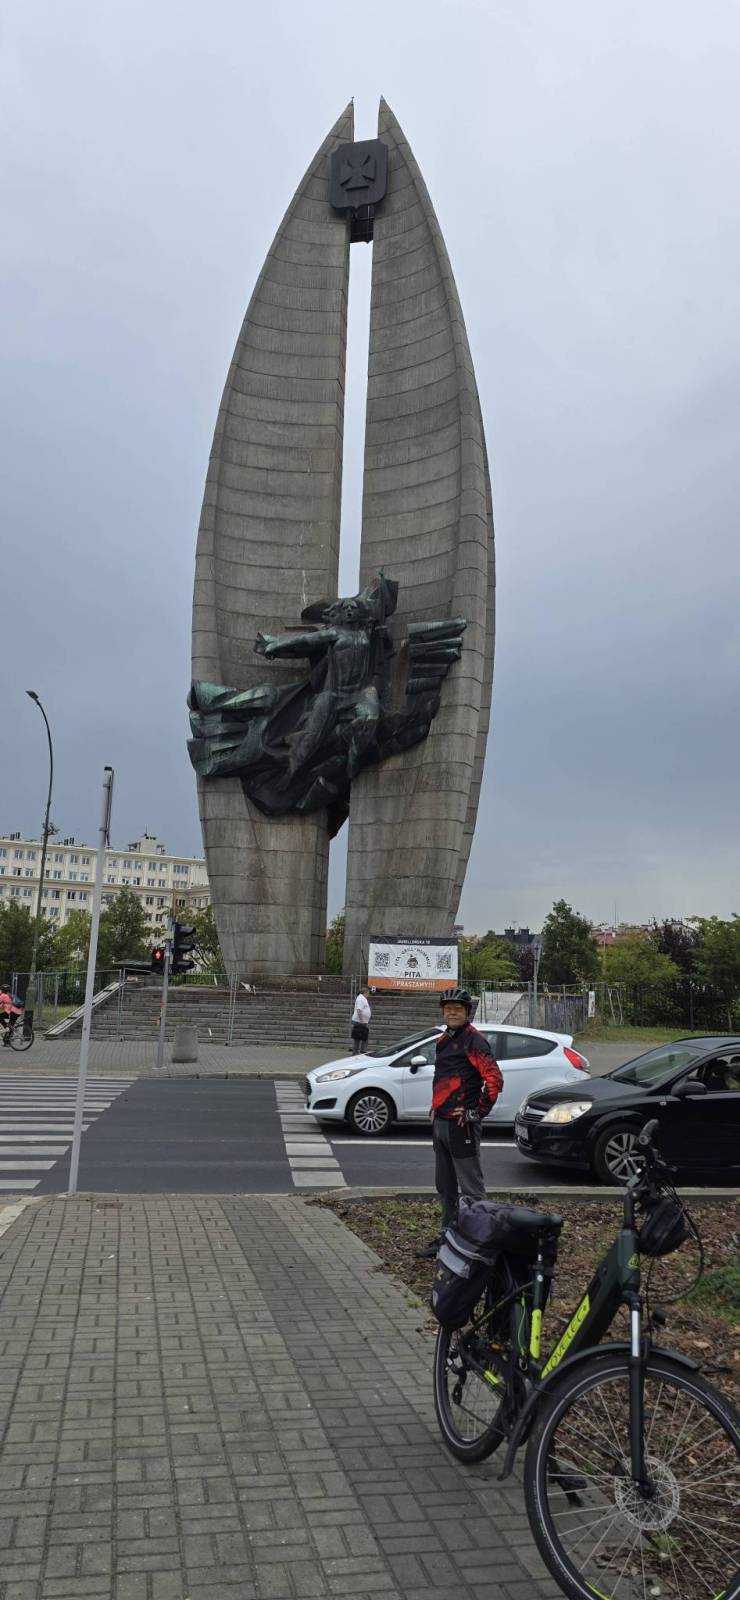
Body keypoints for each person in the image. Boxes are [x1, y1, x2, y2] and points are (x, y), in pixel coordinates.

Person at [415, 987, 503, 1259]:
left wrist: (477, 1112)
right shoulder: (443, 1040)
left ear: (467, 1012)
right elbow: (444, 1078)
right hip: (441, 1123)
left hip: (461, 1125)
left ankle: (480, 1245)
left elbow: (494, 1079)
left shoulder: (474, 1041)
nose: (452, 1013)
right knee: (445, 1187)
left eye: (458, 1009)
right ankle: (448, 1238)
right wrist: (435, 1106)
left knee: (472, 1190)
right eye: (448, 1008)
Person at [350, 986, 372, 1054]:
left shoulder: (363, 998)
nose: (368, 994)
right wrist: (361, 1020)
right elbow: (359, 1010)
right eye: (368, 993)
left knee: (363, 1036)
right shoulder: (360, 999)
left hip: (362, 1021)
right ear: (365, 992)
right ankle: (357, 1051)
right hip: (359, 1021)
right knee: (358, 1036)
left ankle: (362, 1050)